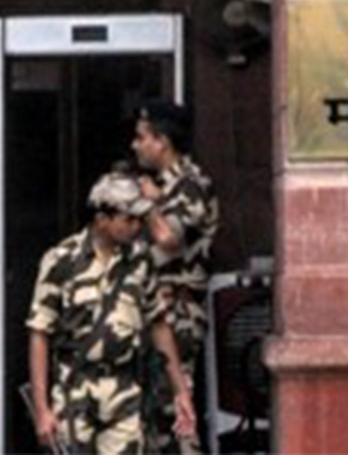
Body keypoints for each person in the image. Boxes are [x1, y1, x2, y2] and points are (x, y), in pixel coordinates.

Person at [26, 171, 196, 454]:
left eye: (139, 219)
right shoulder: (61, 260)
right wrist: (42, 409)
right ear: (102, 219)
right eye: (129, 219)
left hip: (124, 389)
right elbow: (39, 332)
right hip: (74, 389)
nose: (136, 226)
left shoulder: (139, 260)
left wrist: (181, 391)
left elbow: (158, 324)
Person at [131, 99, 219, 453]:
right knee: (152, 414)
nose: (135, 145)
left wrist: (150, 205)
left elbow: (168, 238)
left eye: (141, 137)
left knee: (177, 411)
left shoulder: (191, 185)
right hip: (154, 312)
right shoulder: (162, 187)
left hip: (178, 315)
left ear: (162, 141)